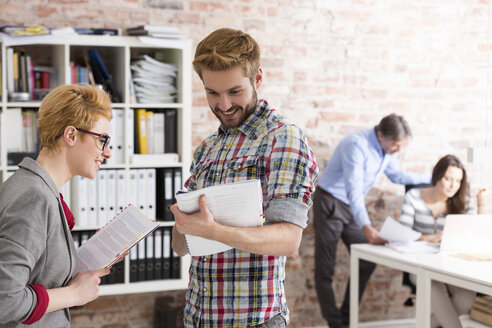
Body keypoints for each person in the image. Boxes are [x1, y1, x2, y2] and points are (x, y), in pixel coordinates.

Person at [170, 28, 318, 327]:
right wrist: (184, 224)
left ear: (257, 78)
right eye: (213, 93)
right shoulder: (207, 148)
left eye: (234, 91)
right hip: (198, 317)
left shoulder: (282, 138)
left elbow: (289, 239)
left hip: (253, 320)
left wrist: (213, 231)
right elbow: (180, 246)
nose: (223, 105)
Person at [0, 84, 112, 327]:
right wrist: (74, 294)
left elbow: (36, 272)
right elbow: (5, 300)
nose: (108, 152)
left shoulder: (30, 186)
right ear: (71, 135)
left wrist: (87, 262)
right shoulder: (34, 197)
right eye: (102, 140)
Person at [313, 113, 430, 328]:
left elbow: (398, 176)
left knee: (367, 259)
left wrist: (433, 179)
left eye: (400, 146)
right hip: (330, 202)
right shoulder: (356, 146)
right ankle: (335, 323)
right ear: (380, 135)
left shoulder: (386, 150)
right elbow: (354, 191)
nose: (398, 150)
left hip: (350, 207)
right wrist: (367, 228)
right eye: (395, 145)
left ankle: (346, 320)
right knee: (325, 268)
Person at [399, 154, 486, 328]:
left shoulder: (463, 202)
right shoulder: (414, 197)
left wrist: (481, 204)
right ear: (437, 176)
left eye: (458, 181)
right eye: (448, 179)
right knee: (432, 284)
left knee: (466, 299)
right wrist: (431, 238)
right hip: (420, 265)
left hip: (451, 266)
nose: (453, 186)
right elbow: (402, 234)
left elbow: (479, 234)